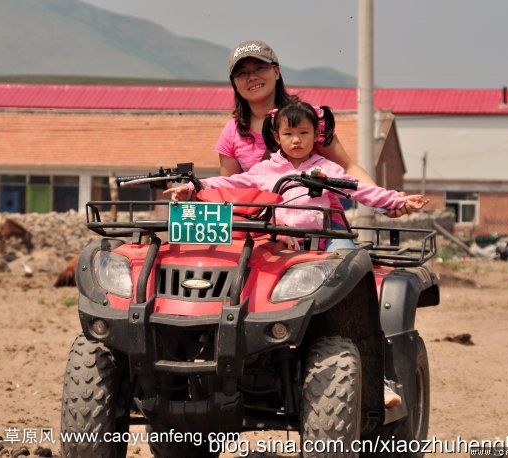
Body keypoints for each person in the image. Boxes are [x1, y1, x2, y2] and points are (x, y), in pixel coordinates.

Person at [167, 101, 427, 407]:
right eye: (289, 133)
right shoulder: (265, 170)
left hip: (325, 242)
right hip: (283, 245)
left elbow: (360, 190)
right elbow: (230, 182)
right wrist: (194, 188)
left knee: (353, 281)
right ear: (276, 136)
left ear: (315, 134)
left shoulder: (326, 169)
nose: (296, 140)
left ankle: (376, 378)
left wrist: (396, 200)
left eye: (304, 132)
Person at [219, 39, 408, 219]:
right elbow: (229, 192)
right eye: (242, 73)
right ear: (234, 81)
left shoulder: (310, 118)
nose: (251, 77)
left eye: (259, 68)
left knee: (344, 253)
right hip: (266, 229)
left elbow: (347, 167)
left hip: (320, 223)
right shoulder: (231, 132)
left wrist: (384, 203)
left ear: (276, 71)